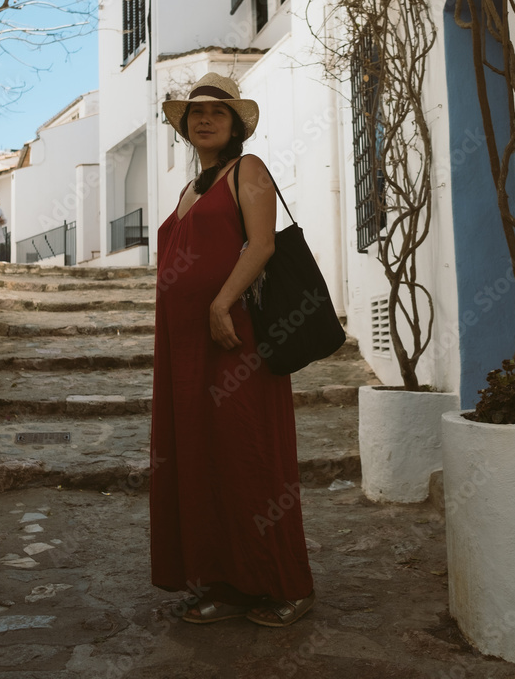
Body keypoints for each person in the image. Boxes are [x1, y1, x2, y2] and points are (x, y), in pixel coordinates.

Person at [150, 72, 314, 627]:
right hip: (186, 348)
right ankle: (225, 582)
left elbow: (262, 243)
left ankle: (283, 582)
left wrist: (220, 304)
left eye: (217, 113)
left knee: (250, 455)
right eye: (195, 113)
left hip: (234, 338)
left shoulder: (250, 170)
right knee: (203, 460)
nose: (204, 119)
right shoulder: (188, 188)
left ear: (237, 125)